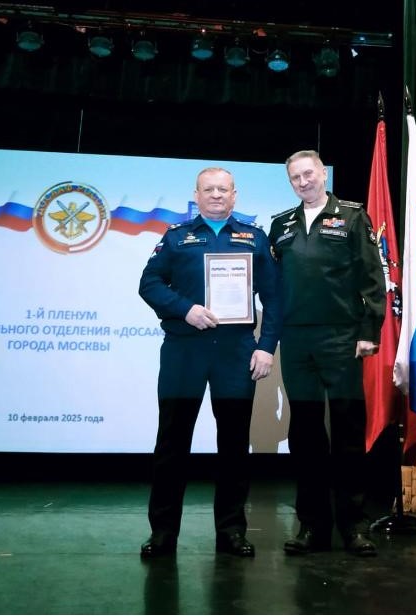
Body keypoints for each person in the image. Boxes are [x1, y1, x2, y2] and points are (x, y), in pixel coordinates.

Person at [138, 167, 280, 558]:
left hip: (235, 353)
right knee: (172, 443)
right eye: (208, 189)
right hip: (184, 351)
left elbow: (274, 297)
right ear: (196, 195)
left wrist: (266, 346)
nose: (216, 195)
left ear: (234, 195)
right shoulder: (176, 236)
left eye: (223, 189)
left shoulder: (255, 238)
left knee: (234, 446)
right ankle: (163, 533)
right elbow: (149, 284)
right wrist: (185, 309)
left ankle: (231, 531)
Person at [268, 150, 386, 556]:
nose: (303, 182)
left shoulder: (352, 217)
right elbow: (272, 284)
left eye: (309, 174)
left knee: (348, 435)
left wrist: (369, 331)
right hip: (297, 342)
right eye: (295, 177)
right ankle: (312, 527)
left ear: (323, 174)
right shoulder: (280, 225)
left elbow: (373, 276)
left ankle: (354, 526)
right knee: (304, 436)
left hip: (341, 339)